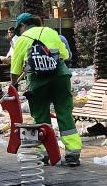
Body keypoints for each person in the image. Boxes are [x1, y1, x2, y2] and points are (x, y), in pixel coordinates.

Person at [9, 13, 82, 166]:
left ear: (23, 26)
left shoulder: (23, 39)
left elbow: (14, 70)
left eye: (19, 29)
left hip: (38, 82)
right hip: (60, 78)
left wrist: (13, 84)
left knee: (41, 117)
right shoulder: (51, 32)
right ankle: (73, 152)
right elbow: (66, 55)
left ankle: (44, 153)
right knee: (64, 112)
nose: (19, 33)